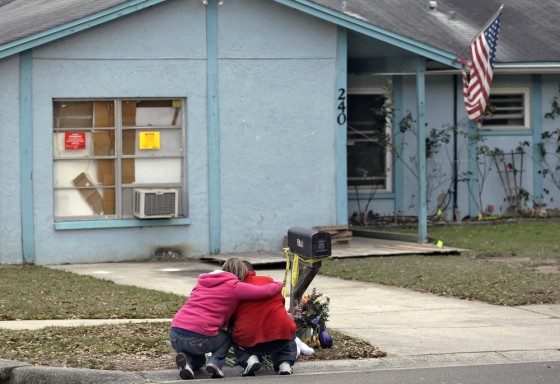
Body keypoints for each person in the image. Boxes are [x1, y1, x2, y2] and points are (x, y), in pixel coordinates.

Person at [169, 257, 283, 380]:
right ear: (240, 273)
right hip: (199, 335)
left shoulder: (201, 282)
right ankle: (215, 363)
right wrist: (279, 283)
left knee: (198, 359)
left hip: (175, 333)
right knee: (228, 336)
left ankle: (187, 363)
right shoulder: (234, 286)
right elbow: (263, 291)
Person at [229, 261, 298, 376]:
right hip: (280, 338)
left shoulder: (234, 289)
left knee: (230, 331)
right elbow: (281, 302)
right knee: (287, 324)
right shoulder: (269, 281)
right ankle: (284, 363)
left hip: (249, 340)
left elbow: (230, 316)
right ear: (253, 272)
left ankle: (249, 359)